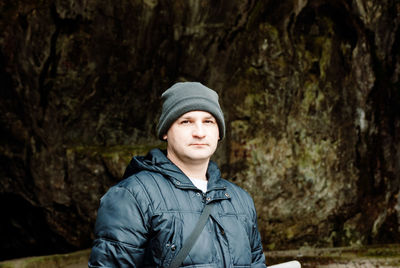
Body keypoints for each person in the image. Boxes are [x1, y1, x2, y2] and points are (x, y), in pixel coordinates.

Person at [88, 82, 267, 267]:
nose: (199, 132)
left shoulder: (240, 199)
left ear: (219, 132)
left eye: (208, 121)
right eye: (186, 121)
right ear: (165, 132)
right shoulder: (132, 196)